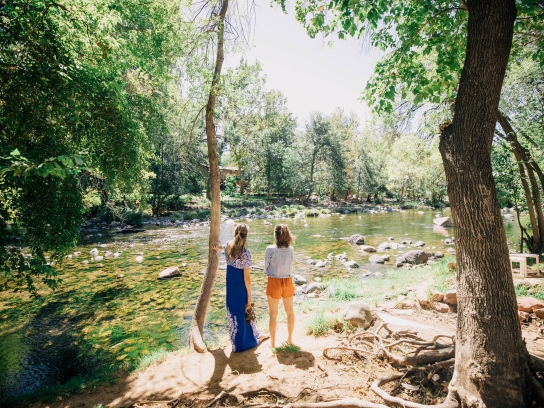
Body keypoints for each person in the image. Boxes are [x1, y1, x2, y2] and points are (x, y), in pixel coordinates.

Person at [222, 223, 264, 352]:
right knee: (245, 311)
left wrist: (216, 248)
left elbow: (222, 246)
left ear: (235, 233)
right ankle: (248, 341)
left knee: (233, 312)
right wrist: (250, 296)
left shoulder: (227, 245)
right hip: (240, 285)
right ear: (246, 236)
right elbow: (247, 277)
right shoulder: (245, 252)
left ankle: (236, 343)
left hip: (230, 284)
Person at [264, 224, 296, 348]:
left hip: (274, 281)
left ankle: (272, 344)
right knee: (290, 313)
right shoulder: (291, 250)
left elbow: (266, 267)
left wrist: (269, 272)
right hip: (288, 281)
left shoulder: (270, 249)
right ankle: (290, 339)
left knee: (273, 314)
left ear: (275, 235)